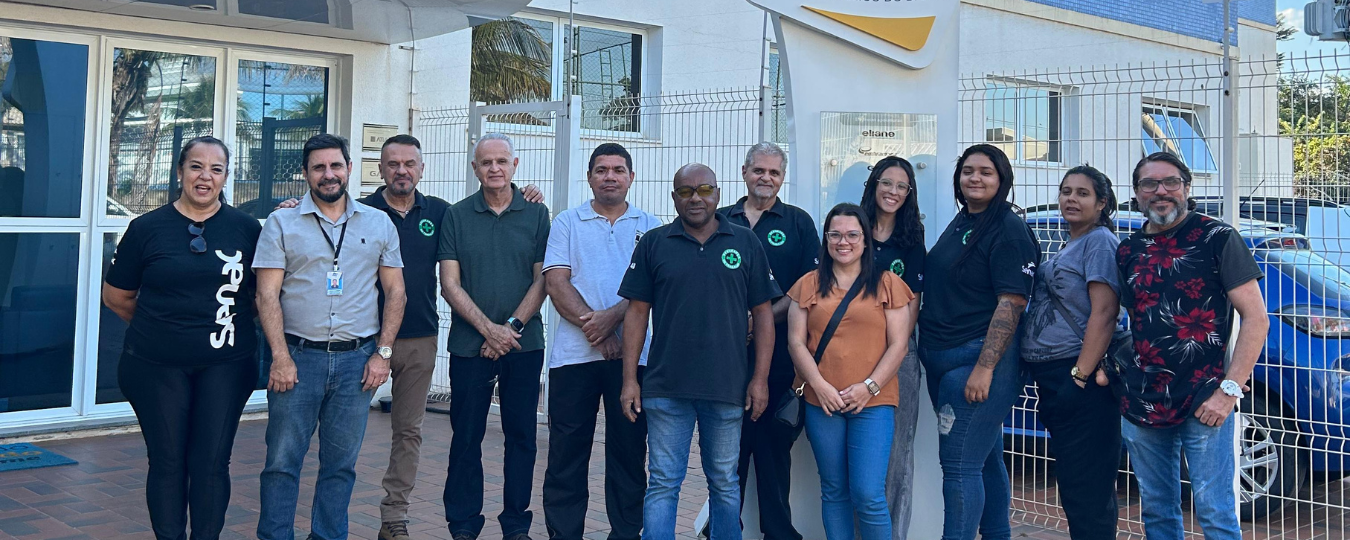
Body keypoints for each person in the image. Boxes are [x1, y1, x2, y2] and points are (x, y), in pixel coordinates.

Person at [270, 134, 451, 540]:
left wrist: (524, 193)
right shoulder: (361, 211)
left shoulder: (441, 213)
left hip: (414, 338)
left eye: (410, 163)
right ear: (378, 169)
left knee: (405, 433)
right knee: (314, 452)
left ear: (421, 168)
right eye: (393, 164)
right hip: (360, 344)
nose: (401, 171)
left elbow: (477, 225)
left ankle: (393, 518)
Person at [102, 136, 260, 540]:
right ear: (179, 172)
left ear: (226, 177)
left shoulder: (247, 229)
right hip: (155, 367)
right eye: (196, 166)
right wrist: (163, 327)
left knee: (211, 463)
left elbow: (261, 297)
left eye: (216, 169)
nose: (205, 177)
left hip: (226, 365)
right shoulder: (146, 229)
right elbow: (117, 296)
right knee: (168, 461)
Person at [253, 133, 407, 540]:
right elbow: (266, 294)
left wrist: (383, 354)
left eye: (336, 165)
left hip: (358, 362)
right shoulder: (281, 223)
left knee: (340, 466)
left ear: (349, 169)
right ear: (305, 173)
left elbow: (396, 292)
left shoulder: (378, 222)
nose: (328, 174)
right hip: (297, 360)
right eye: (318, 167)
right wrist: (280, 357)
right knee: (281, 463)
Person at [618, 163, 780, 540]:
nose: (696, 198)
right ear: (674, 197)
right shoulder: (654, 243)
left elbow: (763, 315)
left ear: (718, 194)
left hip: (727, 387)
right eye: (686, 191)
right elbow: (637, 313)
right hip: (665, 388)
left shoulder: (745, 243)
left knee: (724, 482)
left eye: (705, 190)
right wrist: (629, 380)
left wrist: (759, 380)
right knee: (663, 482)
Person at [1112, 152, 1268, 540]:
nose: (1160, 191)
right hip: (1143, 400)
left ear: (1186, 188)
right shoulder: (1128, 250)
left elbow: (1257, 319)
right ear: (1137, 193)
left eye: (1170, 182)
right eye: (1149, 184)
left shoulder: (1218, 238)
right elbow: (1133, 321)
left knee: (1215, 514)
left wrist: (1228, 392)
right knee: (1157, 512)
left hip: (1205, 399)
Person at [917, 144, 1038, 540]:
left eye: (986, 172)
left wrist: (985, 368)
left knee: (959, 468)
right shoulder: (966, 219)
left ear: (1002, 179)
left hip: (975, 362)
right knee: (984, 459)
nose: (975, 178)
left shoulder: (1008, 228)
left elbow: (1012, 302)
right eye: (968, 171)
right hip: (941, 357)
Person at [541, 143, 661, 540]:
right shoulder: (567, 222)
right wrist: (602, 334)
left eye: (618, 170)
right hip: (573, 359)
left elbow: (653, 287)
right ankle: (564, 534)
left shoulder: (652, 226)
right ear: (590, 177)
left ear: (631, 177)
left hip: (634, 361)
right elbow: (556, 283)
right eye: (602, 170)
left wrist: (611, 321)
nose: (610, 176)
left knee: (629, 454)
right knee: (566, 454)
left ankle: (625, 533)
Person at [438, 132, 551, 540]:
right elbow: (449, 284)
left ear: (514, 165)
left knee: (521, 436)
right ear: (475, 168)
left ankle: (516, 524)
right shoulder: (456, 215)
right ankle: (464, 523)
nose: (495, 168)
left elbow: (544, 279)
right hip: (470, 347)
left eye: (502, 161)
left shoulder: (537, 214)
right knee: (466, 436)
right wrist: (489, 330)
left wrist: (511, 329)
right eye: (486, 162)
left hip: (524, 344)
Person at [786, 203, 915, 540]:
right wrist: (819, 385)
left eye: (852, 235)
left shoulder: (888, 284)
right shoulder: (808, 284)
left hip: (873, 403)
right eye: (835, 235)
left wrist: (869, 387)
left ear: (866, 239)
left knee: (868, 494)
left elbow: (899, 345)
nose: (843, 242)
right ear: (826, 239)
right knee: (834, 490)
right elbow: (796, 342)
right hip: (823, 402)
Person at [715, 141, 818, 540]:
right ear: (744, 172)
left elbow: (807, 286)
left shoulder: (798, 223)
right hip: (725, 357)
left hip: (779, 359)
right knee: (727, 457)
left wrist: (759, 319)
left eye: (774, 172)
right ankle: (724, 530)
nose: (766, 178)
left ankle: (778, 533)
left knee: (774, 455)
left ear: (782, 178)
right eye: (759, 170)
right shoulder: (721, 219)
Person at [1019, 166, 1123, 539]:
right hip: (1057, 378)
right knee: (1075, 485)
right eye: (1066, 191)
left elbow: (1105, 312)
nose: (1071, 199)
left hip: (1083, 379)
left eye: (1082, 193)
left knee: (1087, 490)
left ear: (1102, 203)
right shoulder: (1071, 243)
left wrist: (1078, 377)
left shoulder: (1099, 242)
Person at [858, 156, 925, 539]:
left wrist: (892, 353)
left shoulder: (912, 239)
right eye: (887, 182)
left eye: (902, 186)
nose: (893, 191)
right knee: (857, 460)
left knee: (896, 456)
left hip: (898, 357)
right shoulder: (853, 229)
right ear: (874, 185)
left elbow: (912, 304)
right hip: (851, 353)